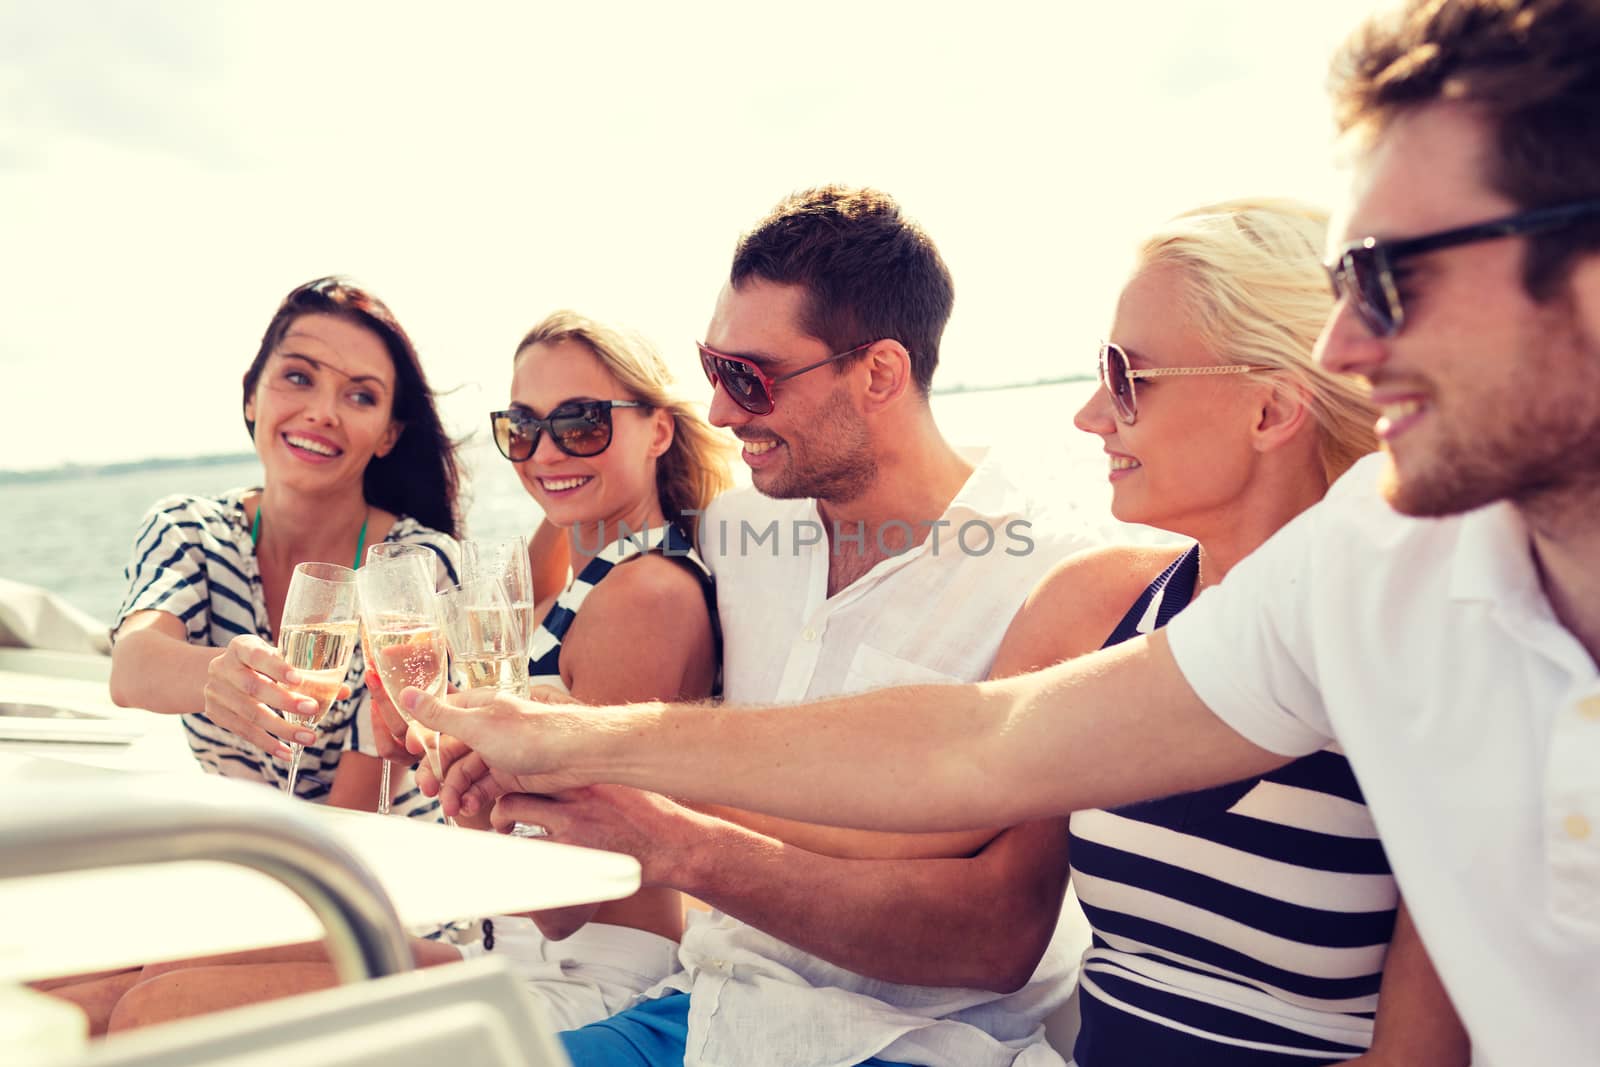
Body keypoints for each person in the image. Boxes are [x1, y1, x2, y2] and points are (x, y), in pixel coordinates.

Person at [403, 3, 1600, 1064]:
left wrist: (637, 799)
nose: (1347, 344)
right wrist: (582, 749)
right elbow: (976, 742)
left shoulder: (1382, 591)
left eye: (1392, 278)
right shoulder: (1370, 574)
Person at [472, 186, 1100, 1067]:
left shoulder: (1047, 574)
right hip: (696, 1017)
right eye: (711, 367)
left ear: (879, 372)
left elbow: (998, 939)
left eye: (749, 376)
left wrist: (671, 837)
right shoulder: (738, 532)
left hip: (916, 1046)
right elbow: (592, 518)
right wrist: (500, 715)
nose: (722, 413)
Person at [985, 198, 1464, 1064]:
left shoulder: (1421, 660)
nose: (1092, 412)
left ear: (1271, 411)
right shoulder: (1099, 606)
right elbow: (938, 774)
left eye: (1127, 374)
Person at [110, 275, 461, 812]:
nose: (323, 411)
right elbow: (132, 668)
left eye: (361, 395)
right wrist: (216, 676)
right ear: (251, 395)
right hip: (255, 849)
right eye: (298, 377)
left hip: (383, 863)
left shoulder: (414, 564)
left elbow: (358, 809)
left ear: (389, 433)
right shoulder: (189, 531)